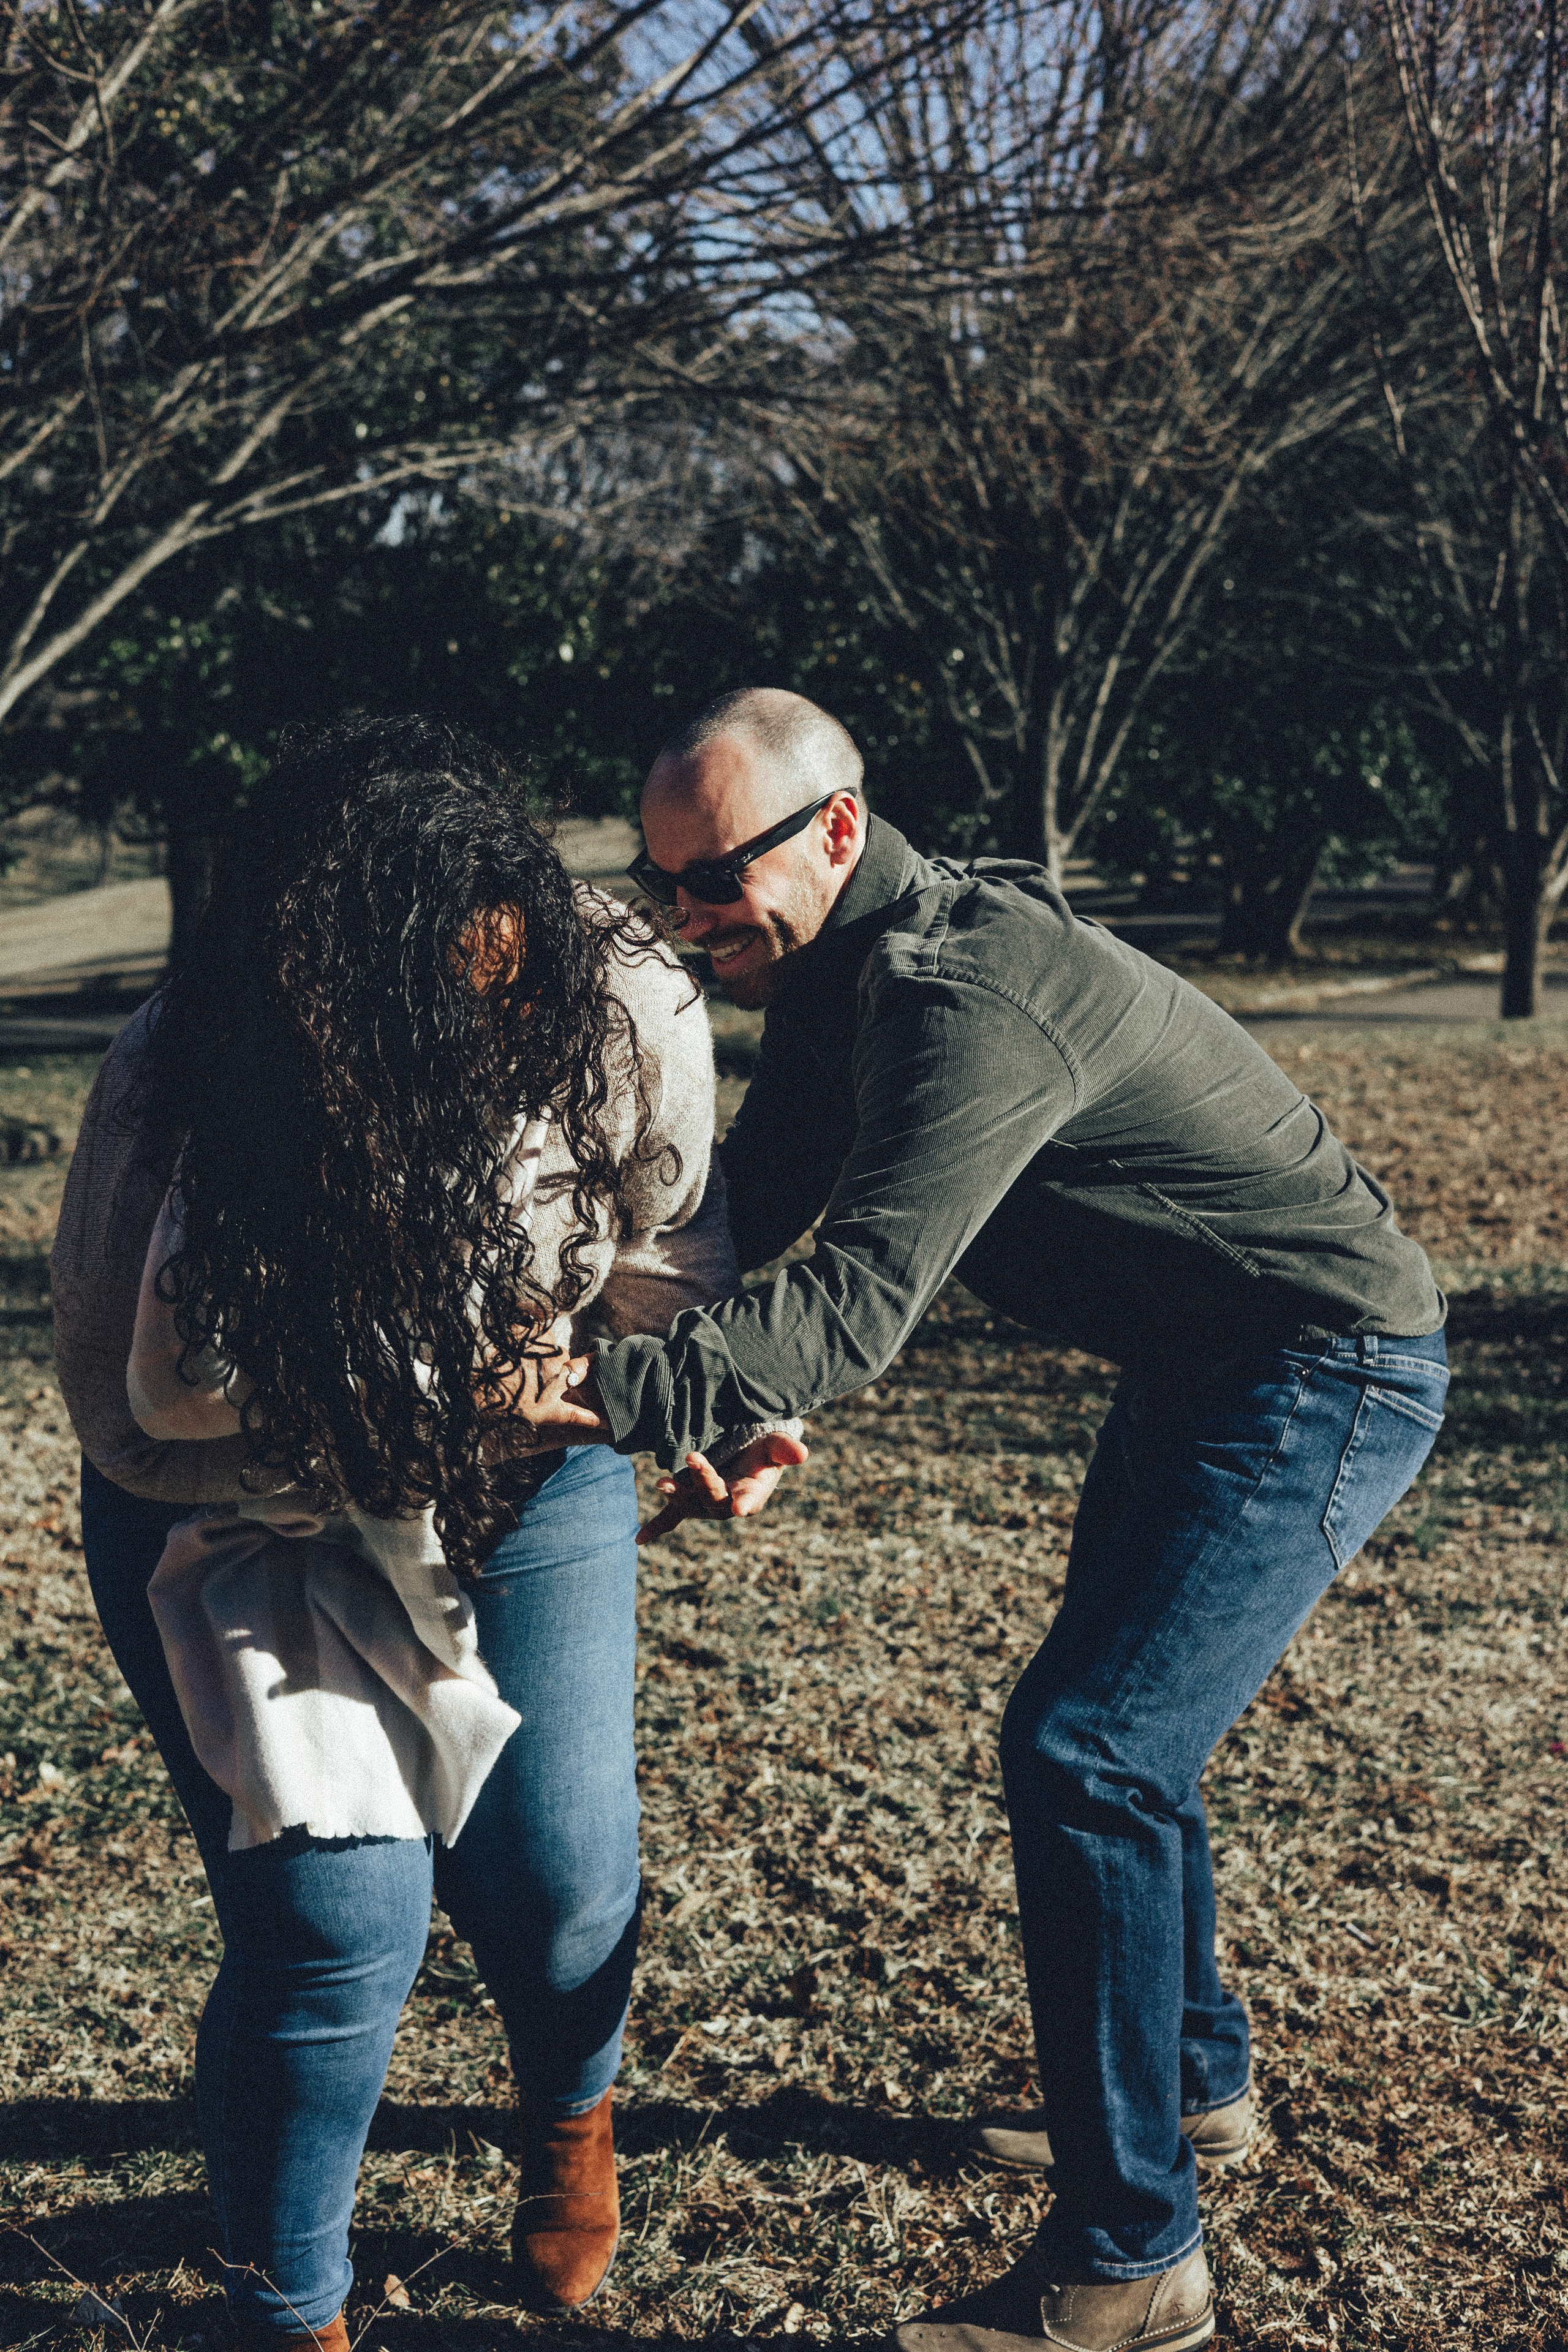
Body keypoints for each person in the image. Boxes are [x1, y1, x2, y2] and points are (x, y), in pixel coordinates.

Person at [514, 688, 1449, 2352]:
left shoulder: (961, 993)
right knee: (1117, 1740)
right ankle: (1191, 2088)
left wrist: (574, 1391)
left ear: (840, 832)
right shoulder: (837, 981)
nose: (687, 921)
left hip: (1325, 1362)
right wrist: (700, 1382)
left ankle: (1131, 2255)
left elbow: (862, 1305)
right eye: (665, 884)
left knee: (1092, 1749)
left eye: (717, 878)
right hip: (1206, 1359)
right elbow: (772, 1221)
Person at [50, 717, 804, 2352]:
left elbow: (669, 1240)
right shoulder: (185, 1076)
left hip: (534, 1477)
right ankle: (285, 2310)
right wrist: (442, 1385)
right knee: (338, 1919)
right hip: (252, 1506)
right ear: (330, 993)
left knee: (556, 1867)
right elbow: (142, 1410)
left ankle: (571, 2115)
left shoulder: (623, 996)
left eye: (518, 975)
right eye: (457, 998)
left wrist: (687, 1402)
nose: (504, 1015)